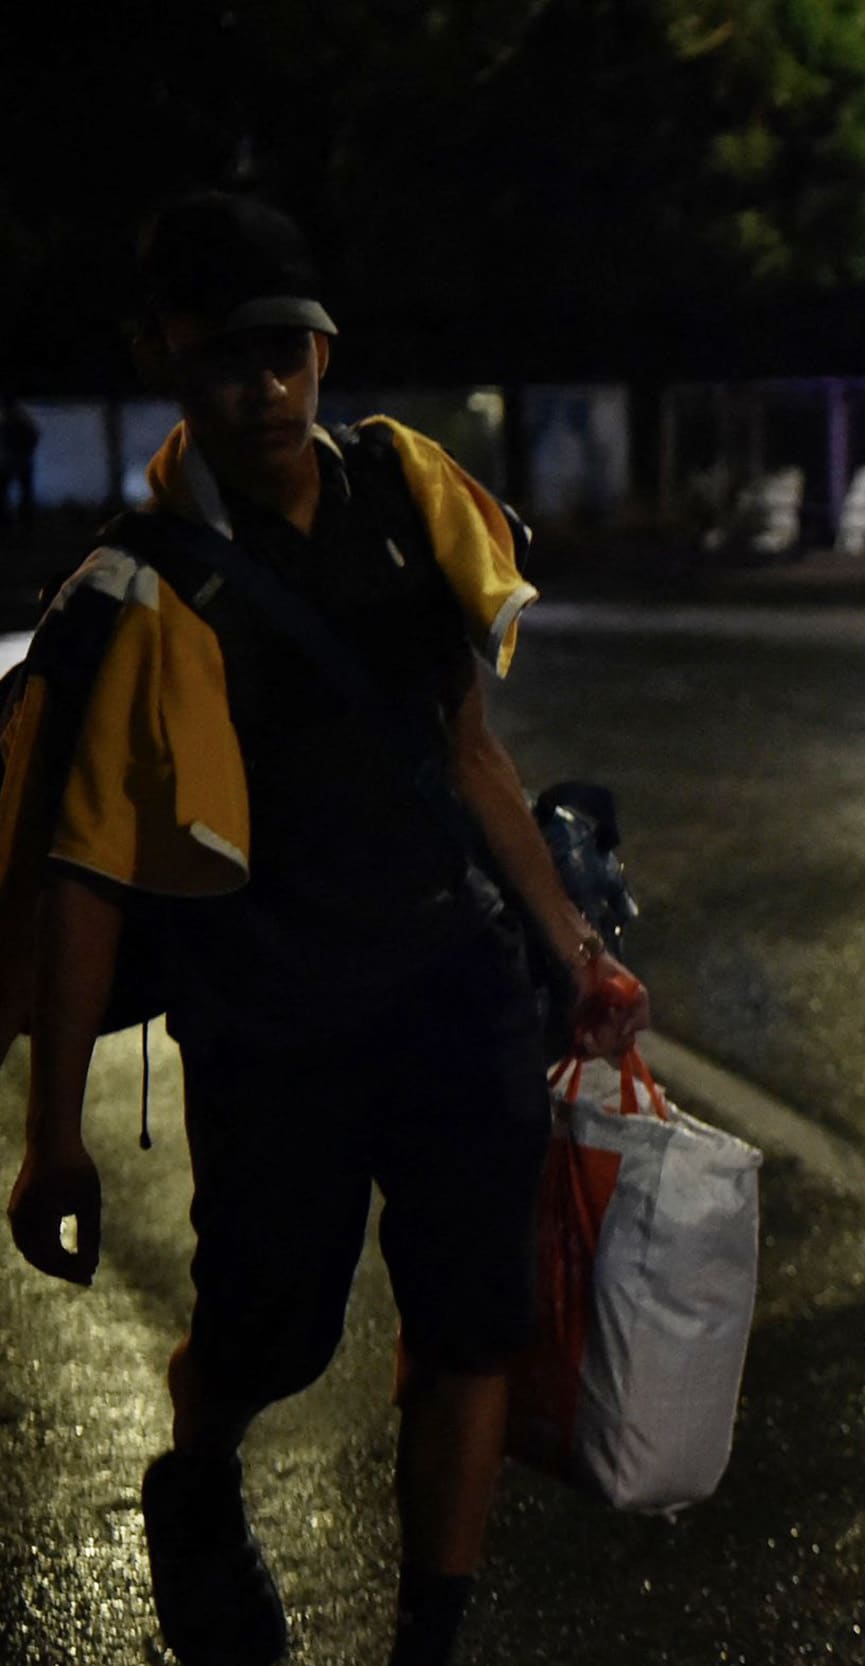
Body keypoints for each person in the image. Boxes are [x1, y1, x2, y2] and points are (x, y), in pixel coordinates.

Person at [0, 191, 649, 1666]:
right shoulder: (142, 585)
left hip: (450, 988)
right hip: (273, 1024)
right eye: (228, 357)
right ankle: (199, 1464)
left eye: (289, 351)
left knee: (476, 1325)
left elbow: (468, 750)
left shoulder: (405, 490)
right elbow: (84, 872)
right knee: (271, 1333)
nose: (267, 387)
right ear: (167, 358)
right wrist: (52, 1135)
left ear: (324, 350)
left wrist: (569, 945)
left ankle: (433, 1636)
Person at [0, 395, 36, 529]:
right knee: (23, 492)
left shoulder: (8, 421)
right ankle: (24, 521)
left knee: (8, 492)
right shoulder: (23, 419)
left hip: (12, 461)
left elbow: (33, 437)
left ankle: (14, 521)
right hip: (20, 460)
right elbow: (34, 437)